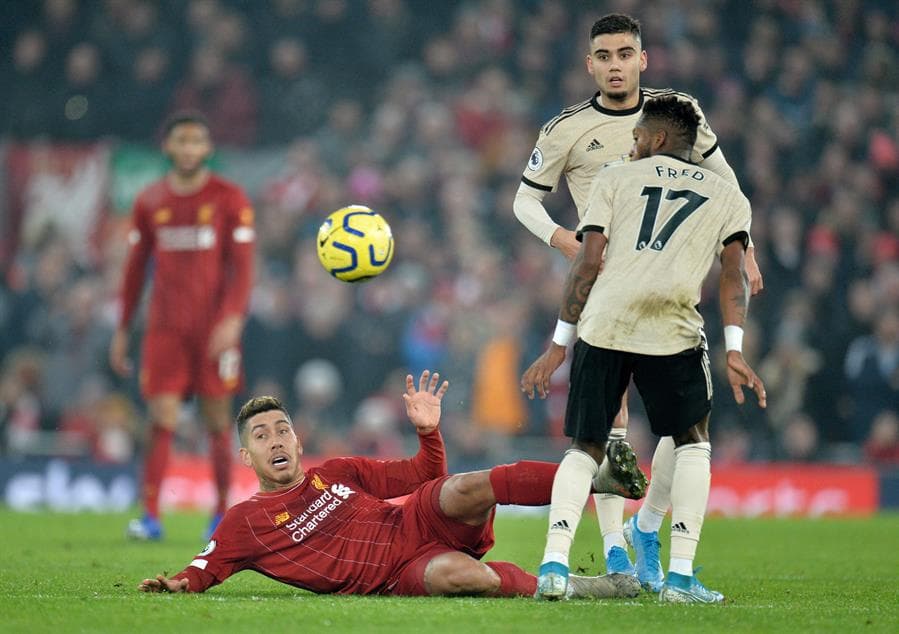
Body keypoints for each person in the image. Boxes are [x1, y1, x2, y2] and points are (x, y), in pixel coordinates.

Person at [513, 13, 764, 578]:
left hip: (669, 279)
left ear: (643, 59)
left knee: (679, 424)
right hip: (602, 276)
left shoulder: (675, 113)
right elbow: (524, 200)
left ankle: (644, 525)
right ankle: (615, 547)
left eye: (625, 54)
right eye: (604, 56)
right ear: (590, 65)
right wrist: (562, 238)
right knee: (614, 422)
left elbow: (724, 180)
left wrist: (743, 247)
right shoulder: (565, 129)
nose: (615, 66)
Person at [138, 370, 642, 599]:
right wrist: (177, 583)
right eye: (262, 435)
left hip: (415, 519)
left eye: (283, 429)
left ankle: (599, 478)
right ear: (247, 456)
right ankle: (589, 587)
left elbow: (423, 474)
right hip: (397, 574)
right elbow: (204, 568)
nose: (276, 440)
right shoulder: (246, 521)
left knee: (463, 486)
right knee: (464, 577)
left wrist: (428, 432)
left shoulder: (336, 471)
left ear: (298, 439)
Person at [110, 111, 256, 541]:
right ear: (168, 146)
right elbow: (134, 271)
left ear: (207, 148)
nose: (189, 149)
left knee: (217, 419)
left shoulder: (229, 198)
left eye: (196, 141)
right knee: (161, 417)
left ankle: (222, 512)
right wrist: (123, 327)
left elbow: (243, 268)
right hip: (165, 330)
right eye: (182, 141)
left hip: (213, 330)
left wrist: (232, 318)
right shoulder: (150, 200)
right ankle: (150, 516)